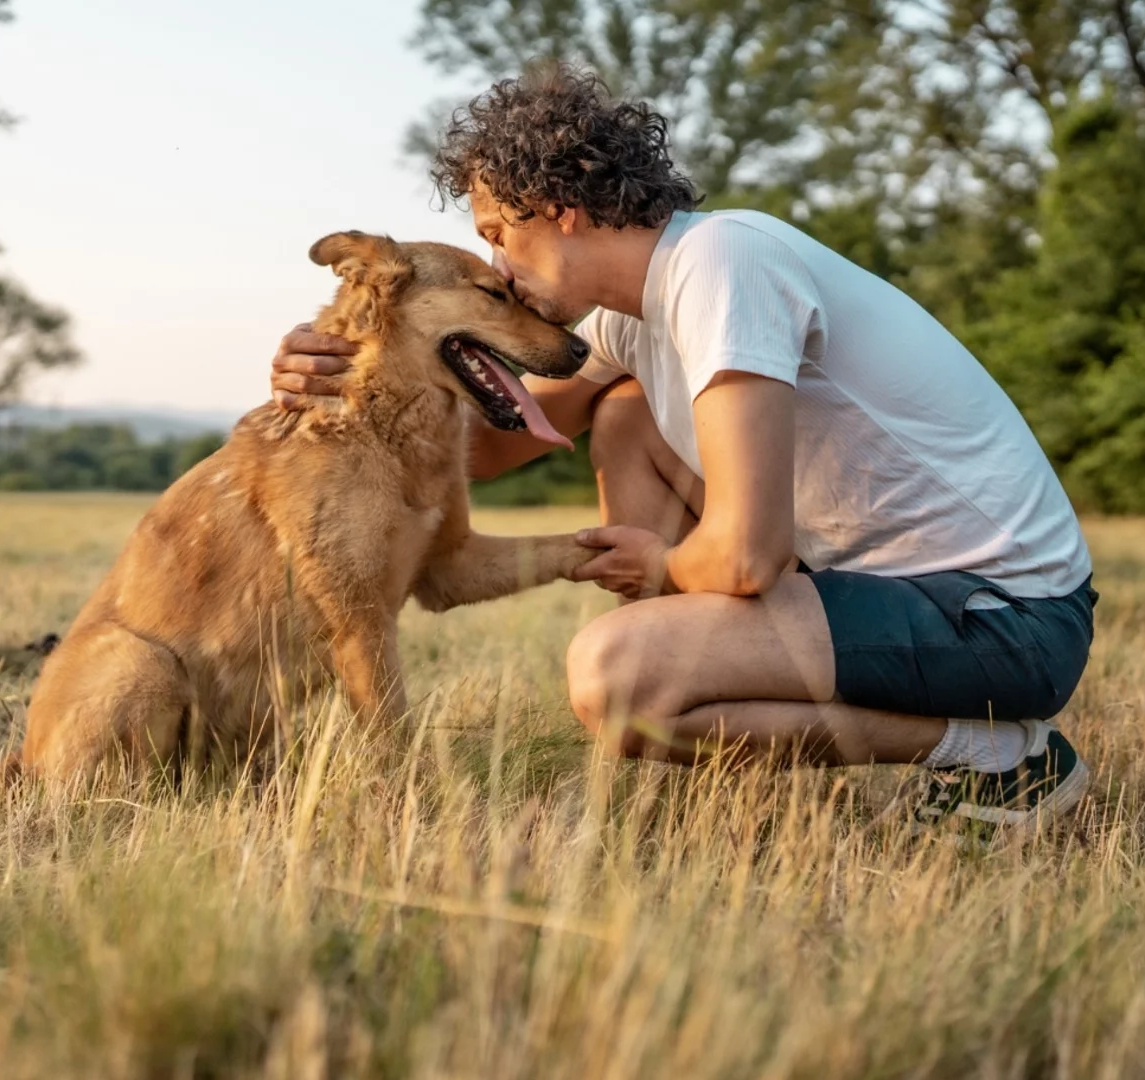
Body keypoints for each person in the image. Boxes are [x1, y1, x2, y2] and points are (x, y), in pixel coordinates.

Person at [270, 67, 1097, 830]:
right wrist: (351, 371)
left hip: (1006, 618)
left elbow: (745, 558)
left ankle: (998, 755)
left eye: (498, 234)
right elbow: (485, 451)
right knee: (624, 413)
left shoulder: (723, 263)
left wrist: (662, 567)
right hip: (898, 597)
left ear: (556, 207)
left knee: (617, 678)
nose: (500, 270)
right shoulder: (633, 316)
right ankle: (691, 754)